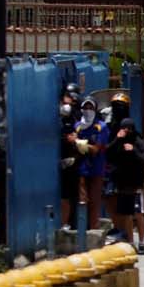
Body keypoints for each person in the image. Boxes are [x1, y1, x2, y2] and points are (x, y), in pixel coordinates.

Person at [105, 118, 144, 254]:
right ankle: (131, 242)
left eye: (129, 129)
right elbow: (108, 154)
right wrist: (117, 140)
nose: (127, 132)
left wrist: (133, 151)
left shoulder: (138, 142)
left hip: (136, 184)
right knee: (127, 215)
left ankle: (141, 242)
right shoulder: (118, 141)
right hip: (123, 184)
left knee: (139, 213)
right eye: (124, 129)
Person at [76, 98, 110, 229]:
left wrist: (78, 142)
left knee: (94, 200)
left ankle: (93, 229)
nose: (88, 111)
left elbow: (96, 149)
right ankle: (82, 229)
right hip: (82, 168)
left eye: (91, 108)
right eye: (85, 108)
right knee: (83, 200)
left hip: (97, 168)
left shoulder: (101, 127)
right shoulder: (78, 126)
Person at [59, 95, 86, 231]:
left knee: (72, 196)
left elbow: (84, 145)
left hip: (71, 164)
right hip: (59, 162)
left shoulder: (77, 122)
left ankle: (73, 224)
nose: (66, 106)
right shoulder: (56, 120)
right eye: (63, 103)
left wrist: (75, 140)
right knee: (64, 197)